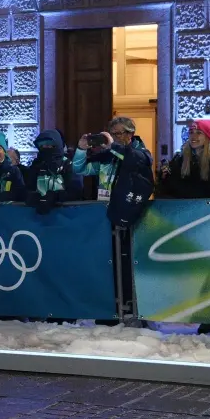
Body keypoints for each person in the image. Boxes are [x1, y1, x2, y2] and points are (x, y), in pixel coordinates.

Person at [73, 117, 154, 324]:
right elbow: (80, 169)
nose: (116, 138)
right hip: (106, 218)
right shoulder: (106, 157)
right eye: (113, 133)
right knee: (109, 264)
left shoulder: (141, 153)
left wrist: (113, 146)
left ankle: (134, 309)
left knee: (130, 263)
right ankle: (111, 308)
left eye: (120, 133)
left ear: (130, 134)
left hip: (132, 218)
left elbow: (136, 161)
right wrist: (81, 149)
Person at [159, 119, 210, 199]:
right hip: (183, 209)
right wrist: (163, 176)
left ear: (207, 137)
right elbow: (169, 191)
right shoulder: (179, 159)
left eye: (199, 133)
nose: (193, 136)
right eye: (191, 132)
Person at [23, 130, 83, 213]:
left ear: (57, 145)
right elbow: (27, 189)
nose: (45, 148)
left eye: (49, 145)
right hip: (38, 217)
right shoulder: (37, 165)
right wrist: (34, 197)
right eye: (42, 146)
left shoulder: (68, 164)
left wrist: (56, 197)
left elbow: (76, 192)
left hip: (65, 216)